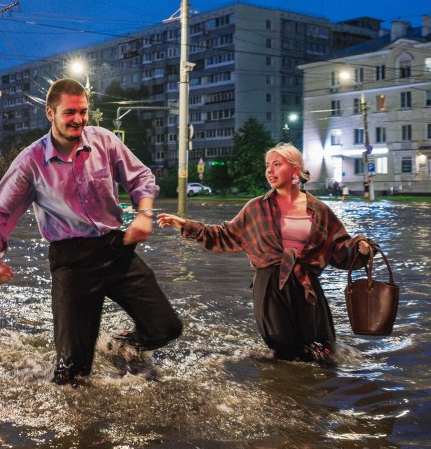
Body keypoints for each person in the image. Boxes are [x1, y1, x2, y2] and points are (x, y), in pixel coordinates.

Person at [0, 78, 182, 386]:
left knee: (166, 327)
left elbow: (141, 177)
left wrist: (144, 213)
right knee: (71, 372)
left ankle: (120, 348)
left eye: (83, 111)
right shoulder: (31, 161)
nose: (78, 119)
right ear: (50, 113)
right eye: (69, 112)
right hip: (71, 261)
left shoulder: (104, 141)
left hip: (116, 248)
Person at [156, 143, 373, 365]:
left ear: (295, 170)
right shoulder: (256, 208)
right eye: (267, 166)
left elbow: (338, 249)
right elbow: (224, 236)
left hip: (307, 289)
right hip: (270, 287)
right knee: (284, 353)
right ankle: (284, 394)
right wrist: (186, 226)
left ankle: (318, 394)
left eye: (276, 165)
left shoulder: (319, 210)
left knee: (323, 353)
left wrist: (359, 248)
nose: (269, 171)